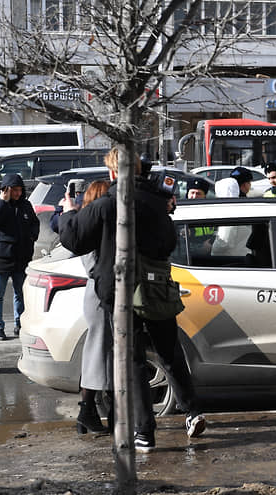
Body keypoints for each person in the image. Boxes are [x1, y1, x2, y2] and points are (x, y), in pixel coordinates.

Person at [58, 147, 206, 451]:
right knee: (169, 352)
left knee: (133, 359)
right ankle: (192, 412)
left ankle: (144, 431)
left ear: (114, 173)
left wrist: (69, 212)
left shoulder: (107, 204)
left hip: (121, 292)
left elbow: (73, 238)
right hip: (156, 288)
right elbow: (168, 243)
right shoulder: (159, 203)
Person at [71, 180, 112, 435]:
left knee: (99, 353)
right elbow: (93, 266)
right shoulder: (93, 227)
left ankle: (88, 412)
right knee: (98, 352)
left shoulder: (90, 224)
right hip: (99, 295)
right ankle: (87, 410)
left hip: (97, 294)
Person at [0, 173, 40, 340]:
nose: (18, 193)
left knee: (20, 293)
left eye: (20, 190)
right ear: (5, 189)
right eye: (14, 190)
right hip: (1, 257)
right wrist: (3, 202)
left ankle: (19, 323)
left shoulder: (25, 205)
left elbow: (34, 223)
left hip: (21, 257)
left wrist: (32, 237)